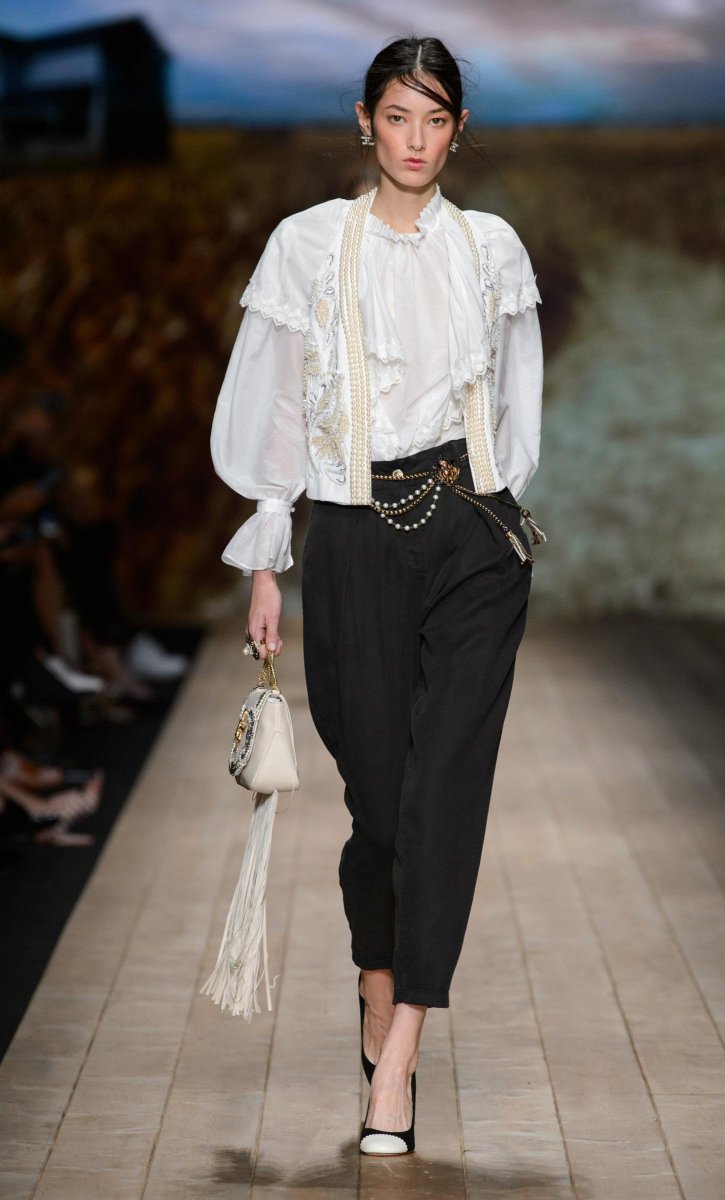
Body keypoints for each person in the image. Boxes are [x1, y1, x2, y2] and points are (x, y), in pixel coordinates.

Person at [210, 36, 545, 1156]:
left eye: (435, 119)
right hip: (351, 534)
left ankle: (398, 1053)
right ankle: (376, 970)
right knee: (381, 799)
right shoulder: (306, 244)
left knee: (443, 790)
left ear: (458, 130)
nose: (415, 140)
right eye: (397, 117)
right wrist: (267, 557)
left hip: (472, 533)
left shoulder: (491, 249)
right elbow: (271, 403)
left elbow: (517, 401)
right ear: (365, 121)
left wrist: (492, 511)